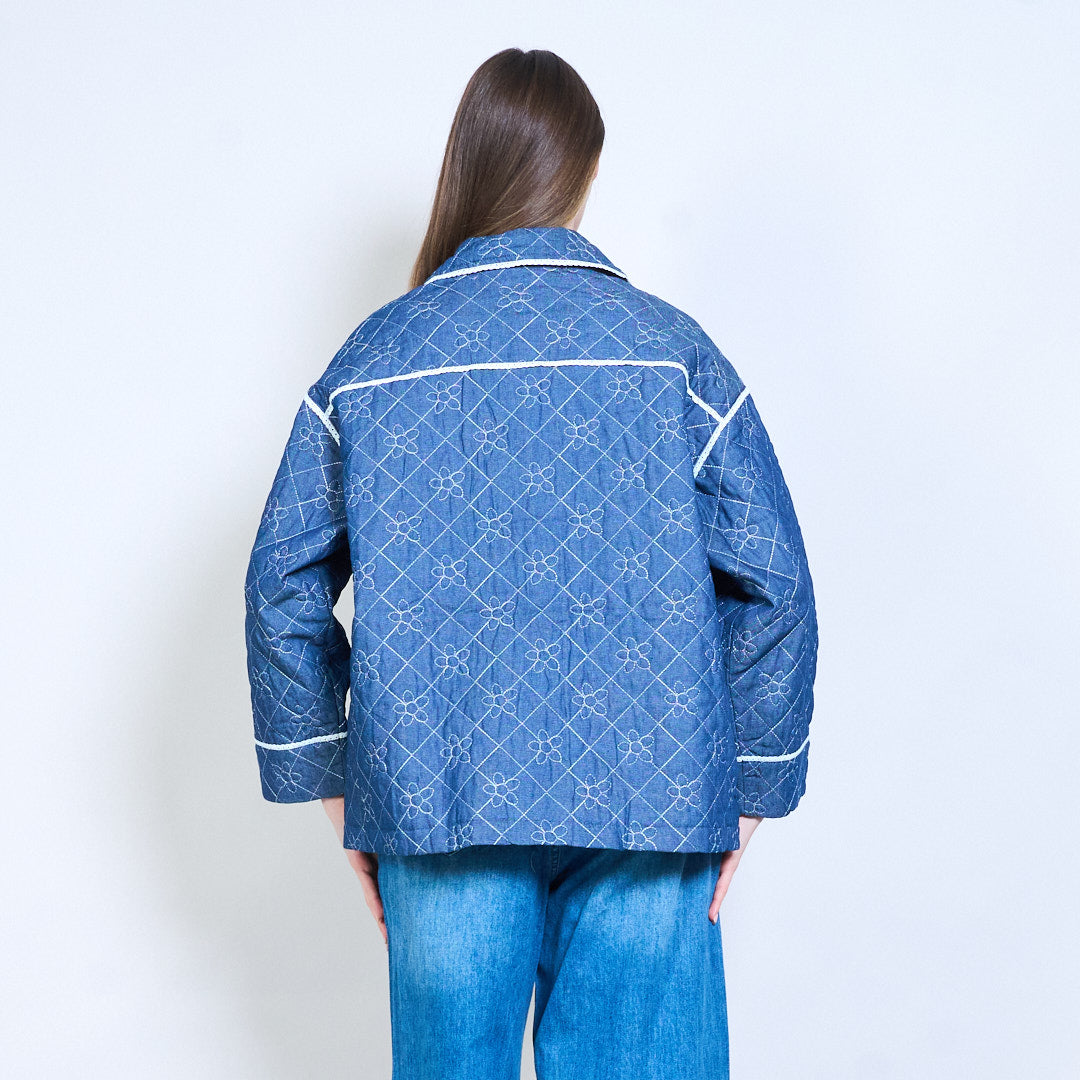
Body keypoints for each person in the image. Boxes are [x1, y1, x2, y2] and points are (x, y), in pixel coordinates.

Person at [244, 46, 818, 1080]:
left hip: (436, 794)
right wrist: (745, 790)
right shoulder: (674, 355)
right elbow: (773, 584)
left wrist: (344, 789)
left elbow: (279, 589)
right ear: (584, 172)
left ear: (465, 166)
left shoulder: (371, 362)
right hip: (654, 797)